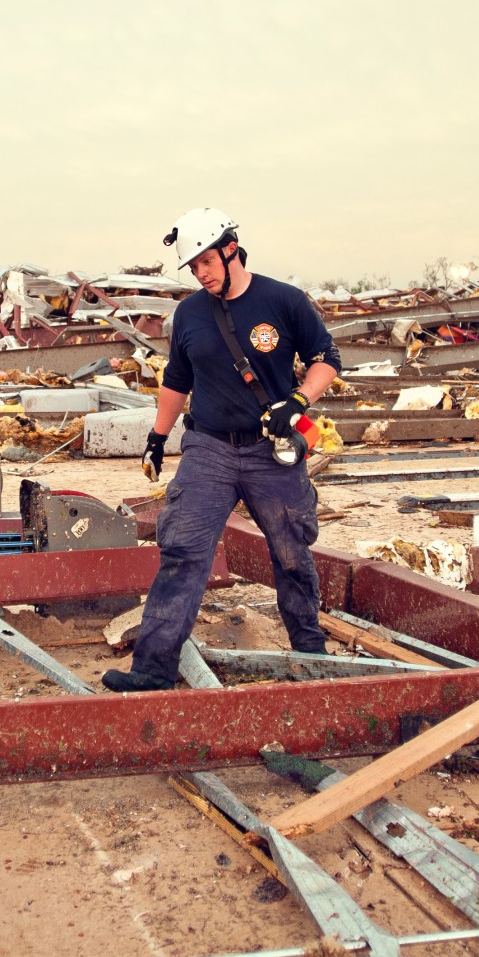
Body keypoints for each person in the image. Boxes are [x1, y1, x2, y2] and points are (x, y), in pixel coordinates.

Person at [103, 208, 342, 692]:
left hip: (269, 452)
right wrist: (156, 437)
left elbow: (325, 359)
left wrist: (297, 401)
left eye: (207, 261)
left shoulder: (284, 300)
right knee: (183, 553)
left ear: (231, 250)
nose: (202, 273)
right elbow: (176, 379)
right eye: (193, 267)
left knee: (291, 552)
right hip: (208, 449)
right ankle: (152, 670)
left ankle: (313, 659)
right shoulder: (189, 314)